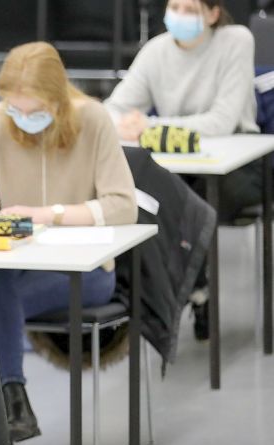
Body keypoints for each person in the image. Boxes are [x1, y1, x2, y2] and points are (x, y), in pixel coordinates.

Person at [0, 42, 137, 443]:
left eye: (35, 111)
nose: (22, 118)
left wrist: (47, 214)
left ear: (58, 100)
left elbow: (122, 206)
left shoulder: (92, 119)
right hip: (18, 264)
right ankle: (11, 405)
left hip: (86, 271)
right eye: (15, 109)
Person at [104, 0, 258, 340]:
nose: (180, 15)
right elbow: (111, 109)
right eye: (175, 6)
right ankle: (179, 293)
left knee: (190, 197)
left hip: (237, 168)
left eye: (190, 8)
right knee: (148, 193)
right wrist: (127, 124)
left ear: (213, 13)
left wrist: (149, 126)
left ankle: (193, 290)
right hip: (180, 166)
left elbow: (221, 122)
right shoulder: (156, 51)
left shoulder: (236, 41)